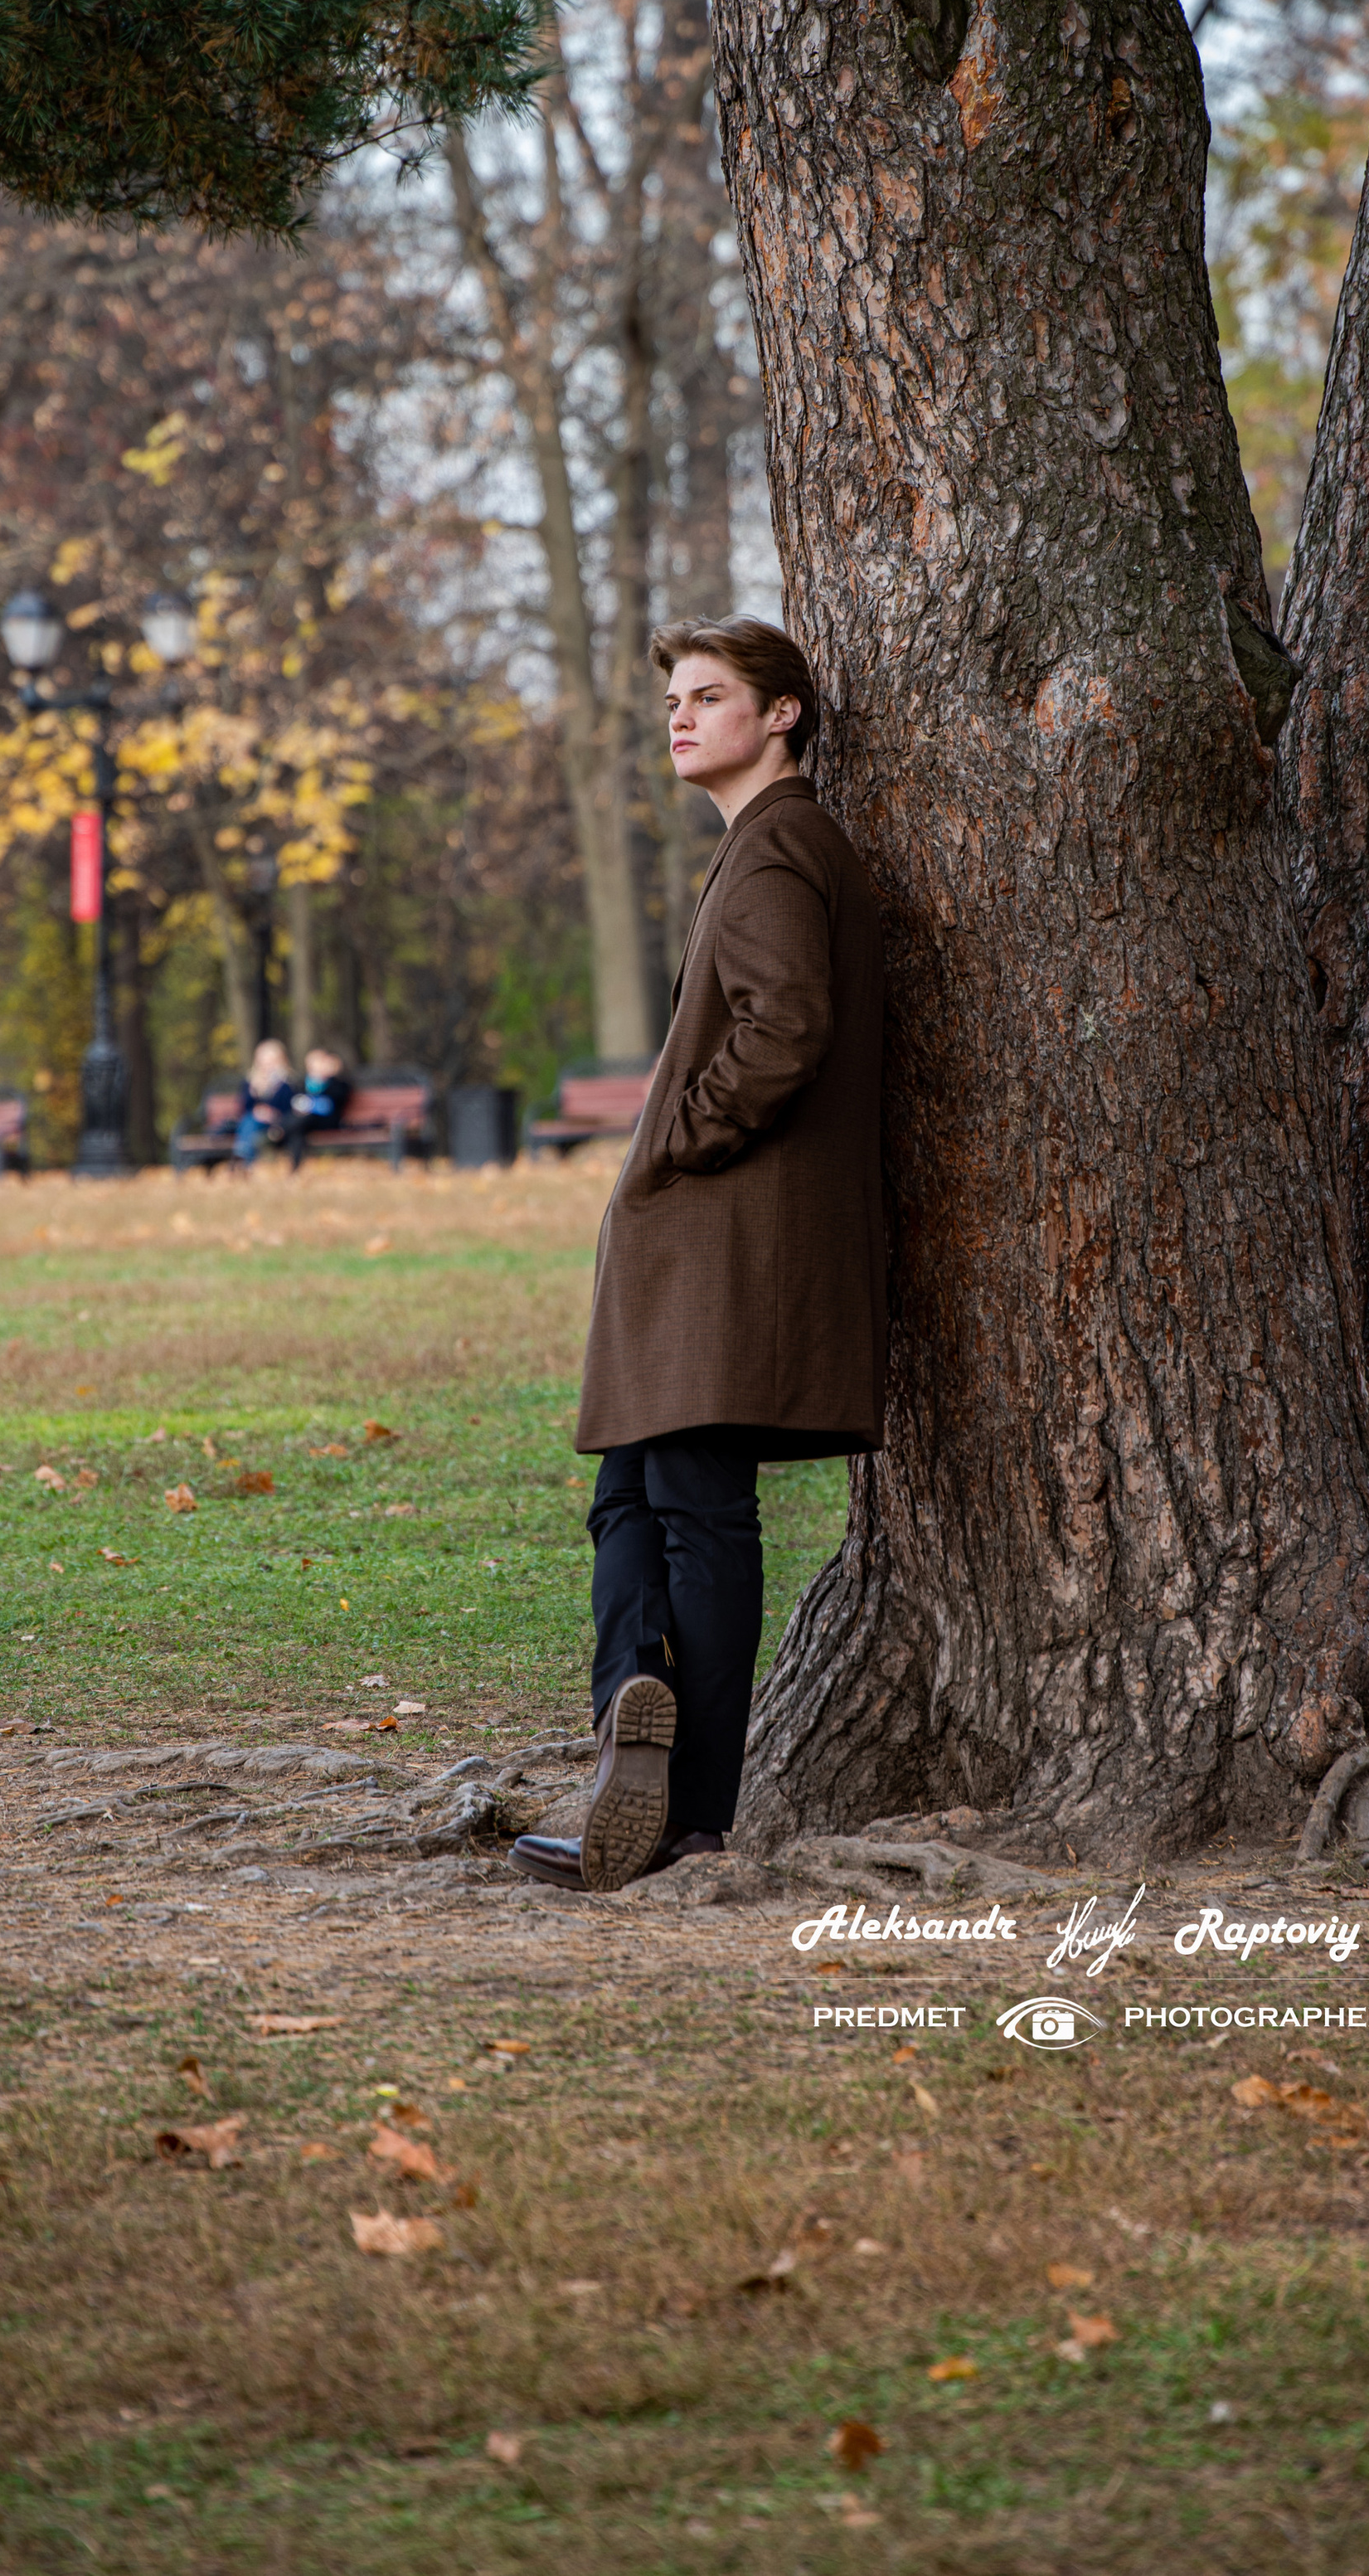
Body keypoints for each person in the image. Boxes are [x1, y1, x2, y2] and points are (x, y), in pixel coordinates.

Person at [511, 617, 886, 1894]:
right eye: (674, 697)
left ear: (781, 714)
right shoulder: (762, 848)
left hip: (731, 1245)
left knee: (695, 1512)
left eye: (710, 695)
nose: (679, 717)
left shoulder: (779, 847)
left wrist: (675, 1138)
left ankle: (692, 1810)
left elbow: (786, 1028)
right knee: (634, 1498)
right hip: (711, 1248)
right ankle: (637, 1711)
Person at [233, 1037, 297, 1168]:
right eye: (264, 1062)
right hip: (254, 1122)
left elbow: (289, 1107)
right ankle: (245, 1158)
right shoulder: (251, 1082)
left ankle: (243, 1156)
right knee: (251, 1121)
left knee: (251, 1123)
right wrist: (254, 1092)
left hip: (278, 1124)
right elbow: (245, 1107)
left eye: (272, 1062)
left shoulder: (288, 1084)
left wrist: (272, 1112)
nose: (268, 1066)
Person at [289, 1047, 347, 1171]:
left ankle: (277, 1131)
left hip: (326, 1122)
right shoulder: (302, 1083)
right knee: (298, 1132)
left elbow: (335, 1102)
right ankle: (295, 1169)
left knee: (304, 1119)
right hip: (305, 1124)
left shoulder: (336, 1082)